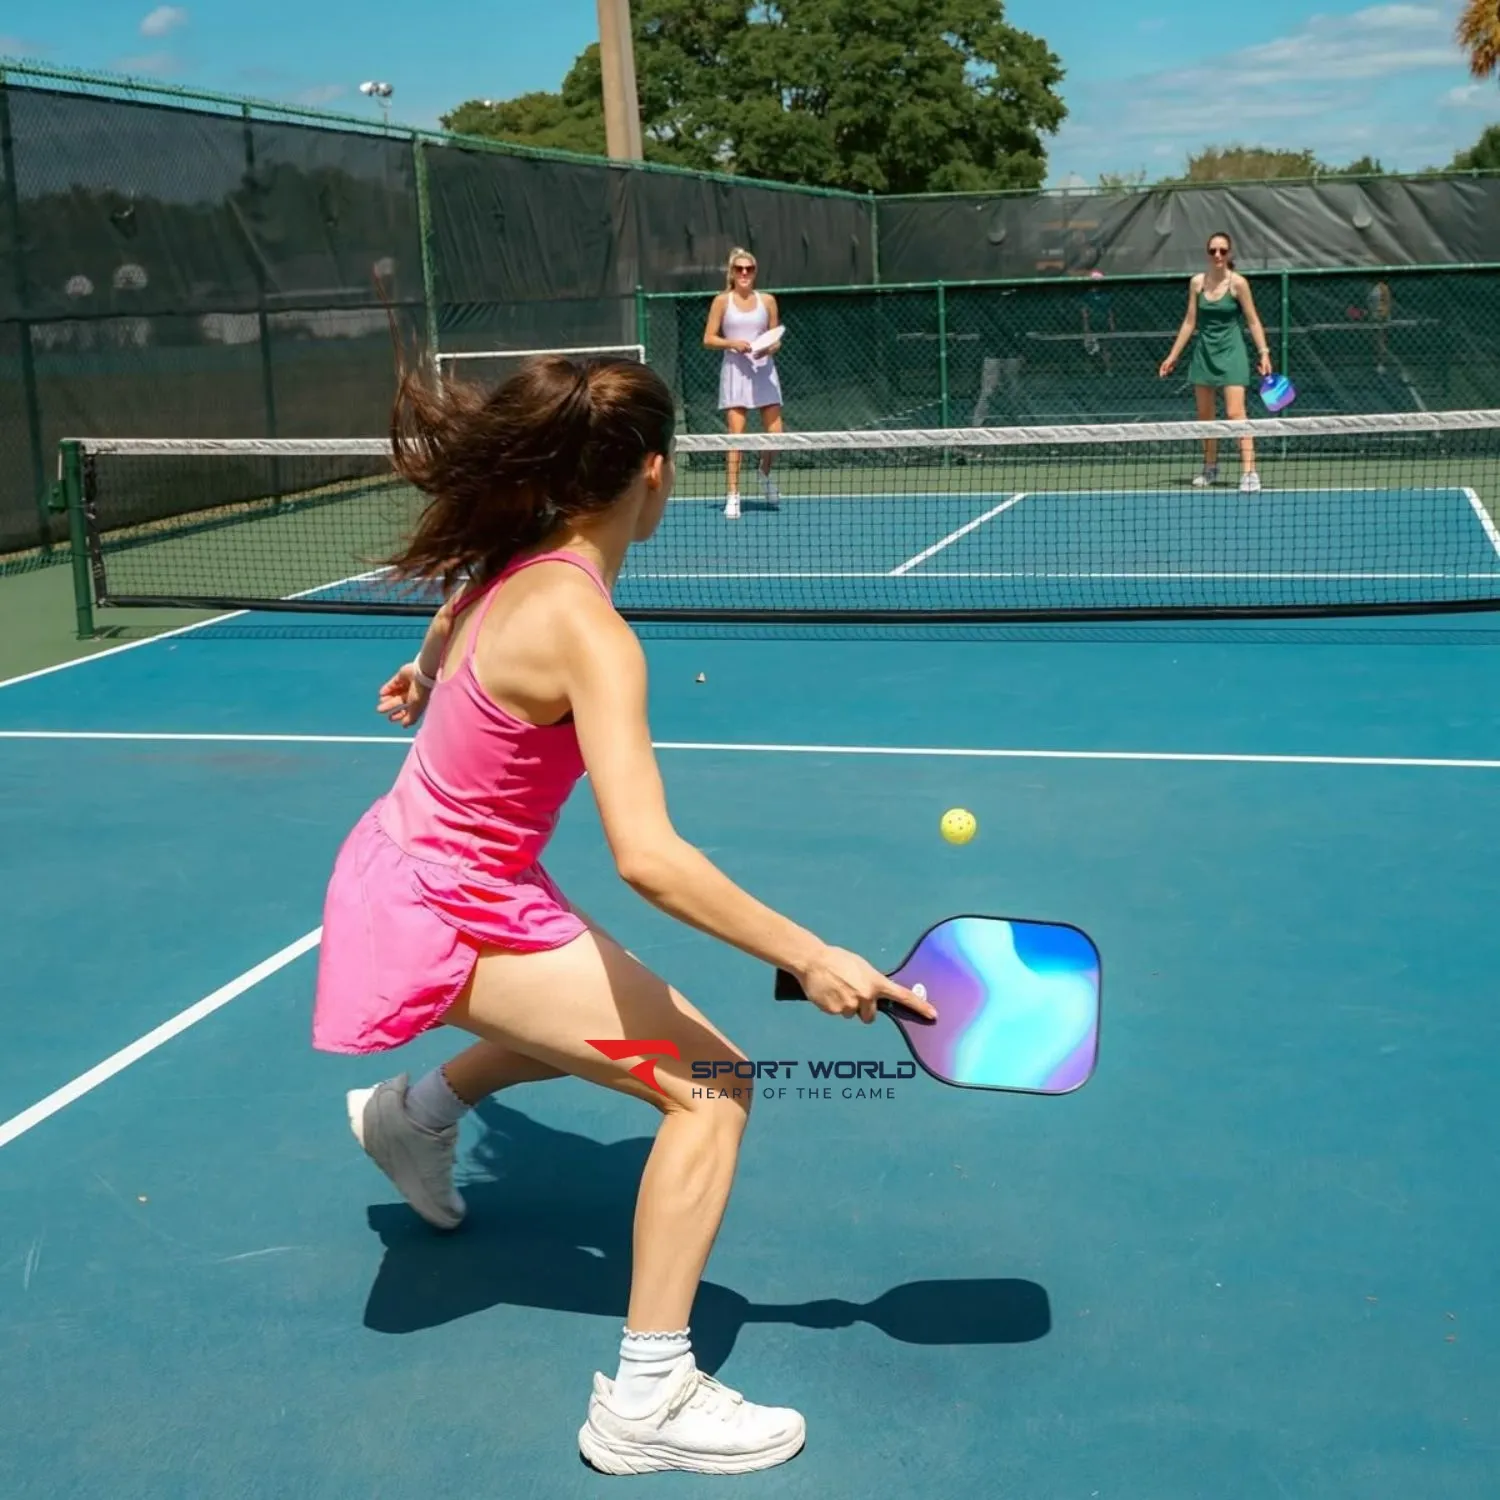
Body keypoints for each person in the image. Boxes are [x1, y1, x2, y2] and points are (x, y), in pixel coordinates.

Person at [311, 352, 935, 1476]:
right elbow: (648, 857)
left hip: (430, 876)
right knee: (711, 1086)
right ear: (653, 473)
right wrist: (814, 956)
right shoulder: (593, 632)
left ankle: (413, 1116)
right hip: (447, 911)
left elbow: (452, 622)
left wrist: (420, 675)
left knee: (613, 1023)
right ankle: (646, 1398)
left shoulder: (515, 562)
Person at [1157, 231, 1273, 492]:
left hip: (1232, 353)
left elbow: (1253, 320)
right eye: (1213, 251)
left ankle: (1250, 473)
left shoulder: (1238, 284)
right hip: (1204, 354)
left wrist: (1264, 352)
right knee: (1206, 417)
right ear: (1207, 253)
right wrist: (1172, 356)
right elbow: (1190, 321)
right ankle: (1210, 468)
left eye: (1222, 250)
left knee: (1235, 414)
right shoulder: (1197, 283)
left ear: (1229, 253)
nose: (1218, 255)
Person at [702, 248, 783, 519]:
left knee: (776, 437)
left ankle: (763, 474)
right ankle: (733, 495)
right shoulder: (722, 302)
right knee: (736, 437)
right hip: (735, 371)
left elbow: (776, 338)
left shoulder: (768, 301)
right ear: (732, 273)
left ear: (755, 272)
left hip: (764, 371)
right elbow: (709, 338)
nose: (745, 273)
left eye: (749, 269)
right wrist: (732, 343)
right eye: (739, 269)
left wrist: (767, 349)